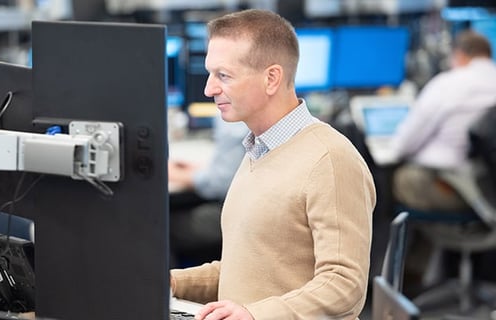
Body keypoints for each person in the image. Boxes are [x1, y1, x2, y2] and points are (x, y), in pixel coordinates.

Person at [170, 9, 376, 320]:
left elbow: (344, 286)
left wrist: (253, 314)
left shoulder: (330, 160)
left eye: (223, 75)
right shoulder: (258, 150)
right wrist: (172, 282)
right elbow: (251, 267)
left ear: (271, 78)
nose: (208, 89)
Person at [391, 30, 496, 213]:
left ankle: (426, 239)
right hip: (489, 186)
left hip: (462, 190)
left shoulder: (446, 84)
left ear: (459, 55)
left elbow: (403, 146)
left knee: (402, 179)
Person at [168, 114, 249, 268]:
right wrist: (200, 170)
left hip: (237, 213)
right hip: (247, 205)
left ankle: (170, 289)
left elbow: (219, 183)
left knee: (161, 227)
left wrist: (173, 174)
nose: (210, 91)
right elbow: (237, 169)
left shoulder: (235, 120)